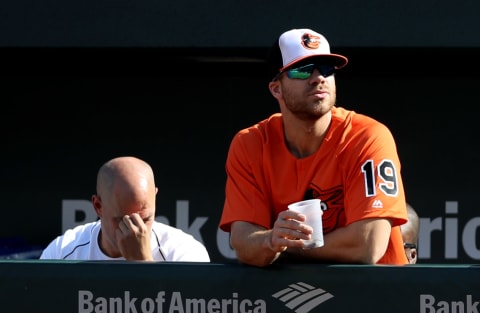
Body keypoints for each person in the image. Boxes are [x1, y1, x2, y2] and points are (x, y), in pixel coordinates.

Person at [219, 28, 408, 267]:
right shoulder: (250, 143)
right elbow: (243, 242)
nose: (318, 77)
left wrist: (283, 249)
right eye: (303, 70)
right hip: (290, 298)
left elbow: (368, 244)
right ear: (276, 88)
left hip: (373, 295)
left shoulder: (366, 136)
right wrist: (270, 240)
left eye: (327, 69)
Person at [40, 156, 210, 262]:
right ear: (98, 206)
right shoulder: (62, 253)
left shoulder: (184, 253)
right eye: (123, 220)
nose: (135, 230)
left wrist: (142, 263)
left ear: (155, 197)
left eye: (145, 219)